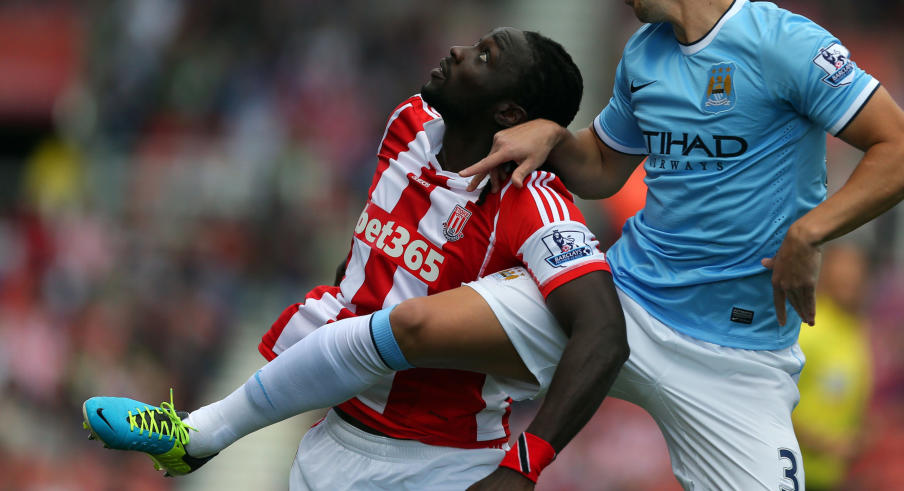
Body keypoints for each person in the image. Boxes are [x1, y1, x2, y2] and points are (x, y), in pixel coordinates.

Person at [85, 0, 904, 489]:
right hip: (635, 297)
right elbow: (604, 169)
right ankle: (199, 432)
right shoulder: (643, 57)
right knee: (410, 320)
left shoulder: (786, 43)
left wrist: (809, 231)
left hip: (739, 362)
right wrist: (552, 136)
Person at [82, 27, 629, 490]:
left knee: (399, 325)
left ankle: (197, 435)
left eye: (485, 57)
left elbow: (604, 331)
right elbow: (370, 247)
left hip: (440, 463)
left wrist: (523, 466)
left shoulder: (532, 201)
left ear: (509, 111)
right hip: (333, 441)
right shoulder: (409, 123)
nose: (460, 52)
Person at [792, 242, 874, 491]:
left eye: (856, 272)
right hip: (791, 474)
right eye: (843, 271)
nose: (850, 279)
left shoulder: (855, 331)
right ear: (825, 274)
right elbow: (767, 402)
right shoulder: (808, 328)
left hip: (830, 479)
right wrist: (827, 444)